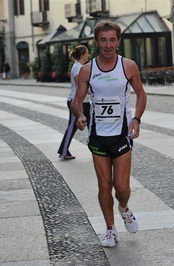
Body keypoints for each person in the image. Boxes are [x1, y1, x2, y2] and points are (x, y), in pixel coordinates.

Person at [71, 21, 147, 248]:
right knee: (104, 186)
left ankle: (124, 208)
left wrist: (136, 119)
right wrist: (79, 116)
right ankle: (110, 229)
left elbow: (141, 95)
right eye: (103, 40)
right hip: (98, 136)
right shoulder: (87, 70)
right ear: (96, 42)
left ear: (118, 41)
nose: (107, 44)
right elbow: (77, 100)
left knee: (122, 188)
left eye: (112, 39)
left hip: (121, 134)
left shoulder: (128, 66)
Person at [57, 45, 90, 160]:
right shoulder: (77, 68)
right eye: (87, 53)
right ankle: (64, 151)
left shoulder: (82, 67)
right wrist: (94, 92)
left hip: (85, 102)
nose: (88, 55)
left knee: (92, 124)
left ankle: (97, 148)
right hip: (75, 102)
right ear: (82, 55)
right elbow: (82, 86)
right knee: (72, 126)